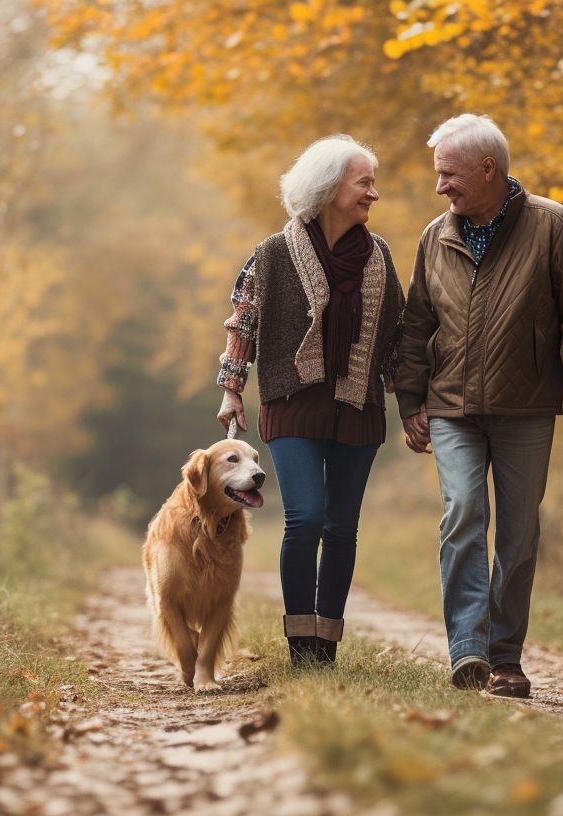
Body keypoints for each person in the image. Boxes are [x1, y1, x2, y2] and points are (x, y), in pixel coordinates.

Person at [394, 114, 563, 697]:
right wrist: (410, 397)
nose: (441, 187)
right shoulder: (434, 236)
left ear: (489, 169)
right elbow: (417, 325)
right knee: (462, 510)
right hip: (452, 407)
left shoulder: (552, 225)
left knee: (517, 535)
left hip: (527, 405)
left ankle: (505, 657)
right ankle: (468, 651)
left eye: (449, 174)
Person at [216, 135, 404, 667]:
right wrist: (232, 389)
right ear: (329, 188)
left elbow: (398, 333)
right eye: (364, 181)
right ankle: (300, 642)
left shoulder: (379, 255)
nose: (374, 193)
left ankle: (326, 646)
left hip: (358, 406)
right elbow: (243, 322)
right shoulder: (273, 254)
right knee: (307, 516)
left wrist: (412, 400)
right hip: (293, 400)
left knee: (342, 525)